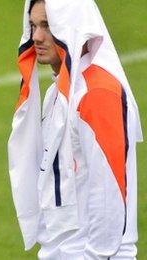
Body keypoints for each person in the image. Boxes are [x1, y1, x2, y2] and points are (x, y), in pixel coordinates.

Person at [8, 0, 142, 258]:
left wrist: (95, 255)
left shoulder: (97, 94)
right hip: (63, 251)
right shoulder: (59, 93)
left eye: (47, 25)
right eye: (33, 25)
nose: (36, 36)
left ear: (72, 25)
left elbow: (108, 192)